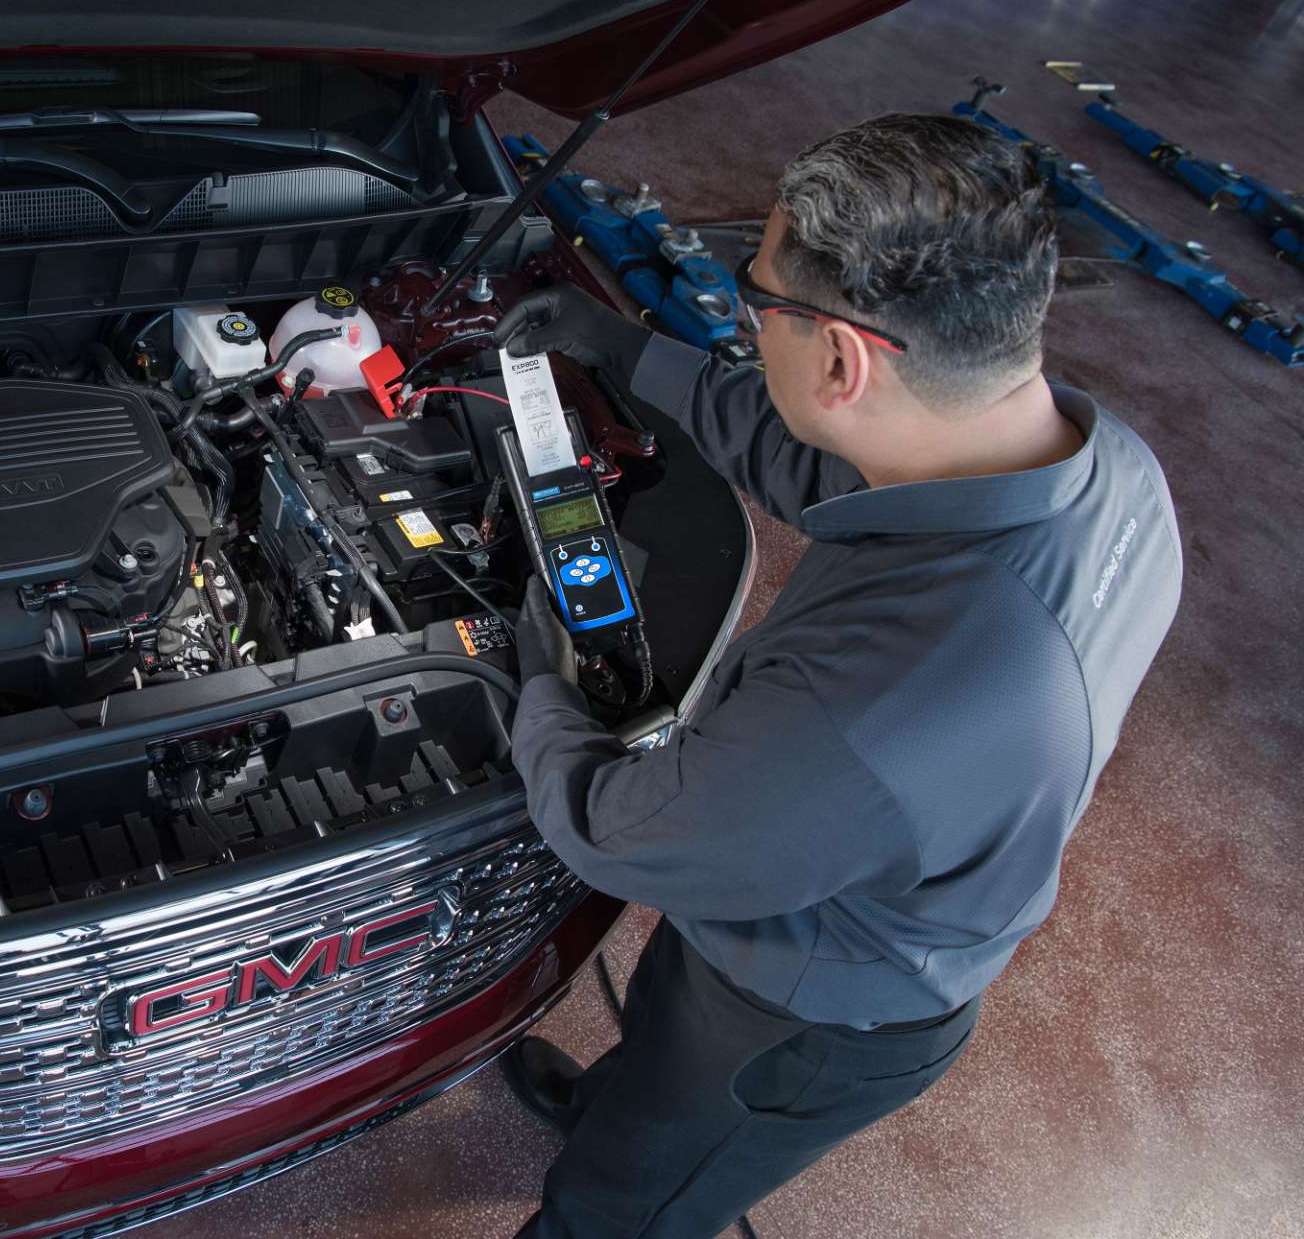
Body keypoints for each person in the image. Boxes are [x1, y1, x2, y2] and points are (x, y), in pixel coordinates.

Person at [492, 113, 1182, 1239]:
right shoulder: (1104, 463)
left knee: (628, 1201)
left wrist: (537, 682)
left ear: (844, 357)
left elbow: (619, 830)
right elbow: (813, 450)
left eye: (756, 301)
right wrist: (624, 352)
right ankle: (612, 1106)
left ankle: (619, 1177)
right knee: (659, 1046)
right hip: (836, 883)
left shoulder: (882, 701)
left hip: (808, 1016)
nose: (748, 315)